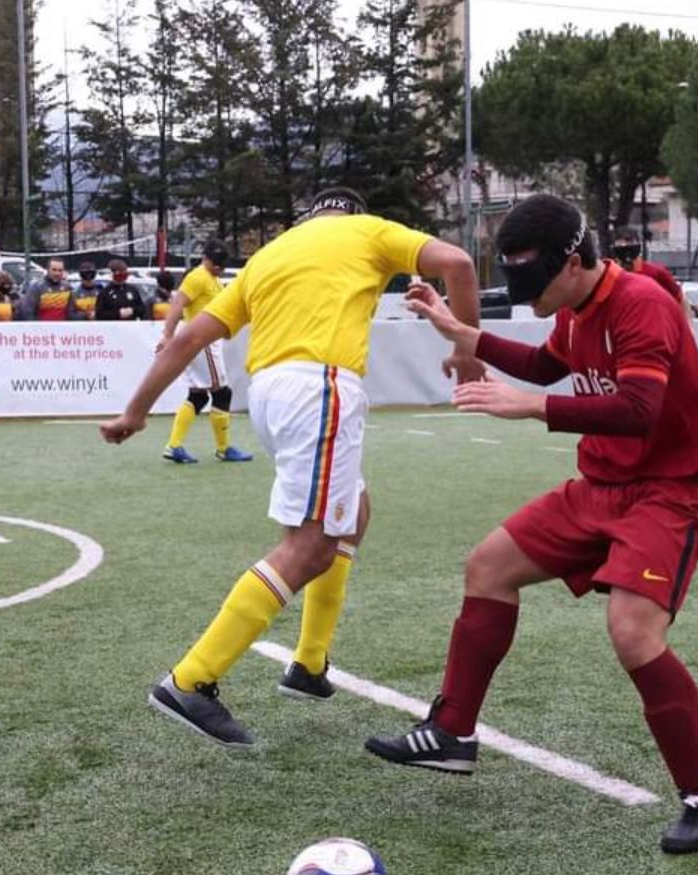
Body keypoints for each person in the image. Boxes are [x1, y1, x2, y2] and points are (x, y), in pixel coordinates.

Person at [364, 194, 698, 855]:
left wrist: (531, 409)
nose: (526, 295)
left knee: (631, 631)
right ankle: (452, 732)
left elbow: (640, 408)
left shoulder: (640, 304)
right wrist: (458, 330)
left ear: (572, 261)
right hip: (601, 485)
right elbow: (545, 363)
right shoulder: (578, 305)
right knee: (487, 566)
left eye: (533, 281)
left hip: (671, 495)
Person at [99, 185, 484, 748]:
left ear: (310, 214)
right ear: (351, 211)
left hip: (273, 395)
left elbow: (184, 341)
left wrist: (134, 412)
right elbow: (459, 262)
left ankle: (308, 664)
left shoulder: (268, 257)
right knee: (310, 545)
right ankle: (190, 680)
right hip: (321, 387)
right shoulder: (367, 230)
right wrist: (466, 350)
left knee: (353, 511)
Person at [158, 240, 253, 464]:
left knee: (199, 395)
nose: (220, 267)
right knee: (222, 393)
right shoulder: (198, 277)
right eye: (216, 262)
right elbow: (177, 304)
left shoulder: (212, 279)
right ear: (206, 259)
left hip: (203, 342)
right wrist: (167, 335)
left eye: (222, 263)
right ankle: (223, 448)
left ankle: (174, 446)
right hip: (203, 343)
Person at [611, 226, 693, 323]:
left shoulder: (656, 273)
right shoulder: (610, 275)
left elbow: (681, 299)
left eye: (629, 247)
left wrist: (688, 327)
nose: (626, 254)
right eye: (621, 249)